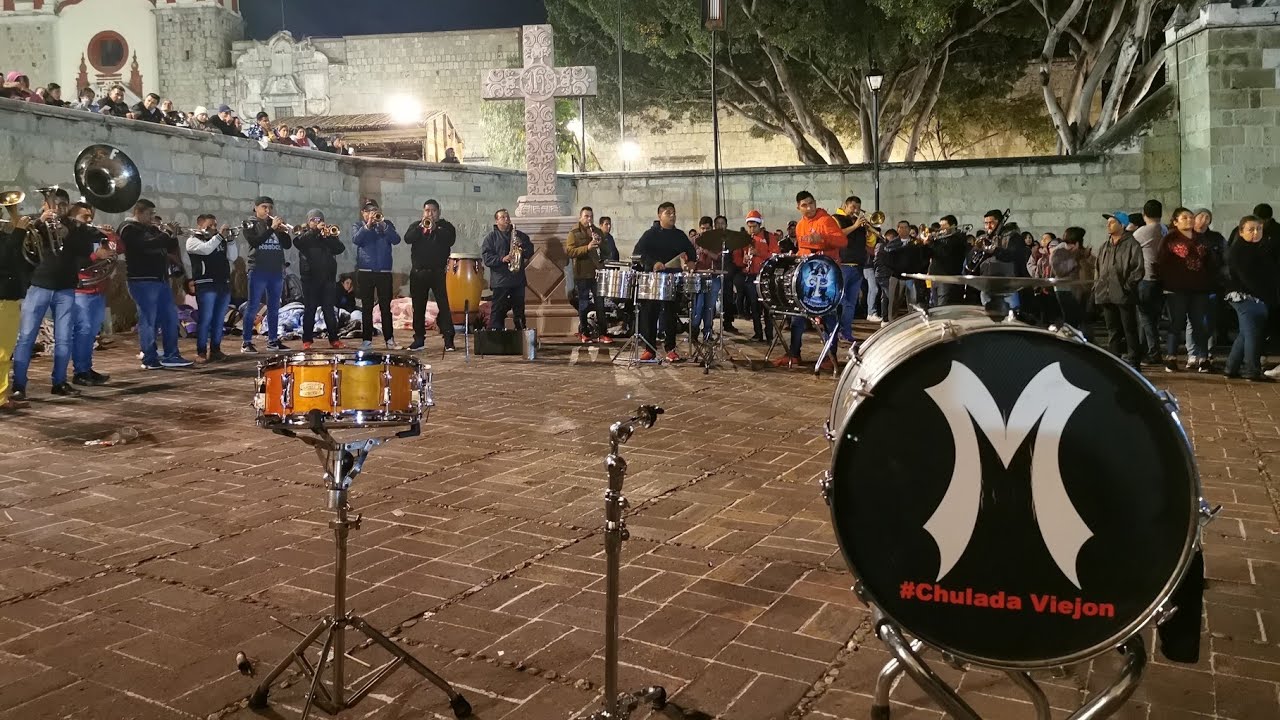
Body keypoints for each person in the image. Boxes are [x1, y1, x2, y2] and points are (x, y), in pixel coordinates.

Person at [9, 194, 96, 399]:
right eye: (54, 203)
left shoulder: (74, 227)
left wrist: (70, 234)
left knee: (64, 339)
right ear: (44, 204)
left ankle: (60, 382)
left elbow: (85, 251)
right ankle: (19, 385)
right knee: (26, 338)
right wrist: (40, 223)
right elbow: (19, 245)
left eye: (63, 204)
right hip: (38, 285)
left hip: (65, 288)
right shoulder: (32, 222)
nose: (59, 208)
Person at [775, 191, 847, 369]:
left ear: (815, 203)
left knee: (829, 315)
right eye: (804, 205)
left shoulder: (826, 220)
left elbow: (842, 241)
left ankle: (831, 356)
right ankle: (794, 353)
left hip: (827, 277)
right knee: (798, 316)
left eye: (811, 203)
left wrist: (822, 238)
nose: (809, 208)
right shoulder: (800, 226)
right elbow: (803, 249)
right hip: (806, 277)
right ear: (798, 207)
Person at [119, 199, 194, 370]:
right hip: (142, 280)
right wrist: (166, 233)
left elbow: (167, 246)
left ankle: (171, 355)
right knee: (148, 320)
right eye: (149, 213)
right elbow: (146, 245)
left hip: (160, 280)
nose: (153, 217)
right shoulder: (127, 228)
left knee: (170, 317)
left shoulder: (151, 229)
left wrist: (172, 234)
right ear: (138, 212)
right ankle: (149, 358)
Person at [634, 202, 697, 362]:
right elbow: (638, 253)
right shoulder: (650, 234)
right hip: (653, 280)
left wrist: (690, 262)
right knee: (650, 314)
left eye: (674, 213)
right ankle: (650, 349)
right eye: (668, 213)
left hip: (672, 279)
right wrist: (653, 263)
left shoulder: (680, 235)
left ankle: (670, 348)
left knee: (670, 314)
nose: (672, 215)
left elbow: (691, 252)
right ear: (659, 215)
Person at [1159, 207, 1216, 373]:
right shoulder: (1170, 239)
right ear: (1175, 222)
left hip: (1199, 288)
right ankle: (1171, 358)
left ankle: (1203, 359)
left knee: (1199, 324)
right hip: (1176, 289)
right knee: (1176, 324)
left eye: (1191, 217)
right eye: (1184, 218)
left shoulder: (1201, 239)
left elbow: (1210, 262)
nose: (1189, 220)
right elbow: (1161, 262)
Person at [1224, 216, 1278, 382]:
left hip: (1256, 297)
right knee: (1253, 333)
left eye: (1259, 229)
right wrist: (1263, 297)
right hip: (1245, 297)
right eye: (1251, 229)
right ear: (1241, 232)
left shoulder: (1260, 248)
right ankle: (1251, 369)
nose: (1256, 233)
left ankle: (1231, 367)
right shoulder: (1240, 250)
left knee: (1245, 333)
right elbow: (1247, 277)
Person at [71, 205, 120, 385]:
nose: (90, 220)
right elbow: (73, 261)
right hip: (81, 290)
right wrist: (95, 256)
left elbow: (118, 249)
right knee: (83, 332)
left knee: (91, 333)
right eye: (85, 217)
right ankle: (79, 372)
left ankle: (86, 368)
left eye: (90, 217)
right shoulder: (72, 237)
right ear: (74, 218)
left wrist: (111, 236)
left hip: (98, 289)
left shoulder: (95, 235)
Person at [240, 196, 292, 353]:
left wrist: (281, 232)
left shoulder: (274, 225)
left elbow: (287, 245)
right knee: (253, 305)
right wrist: (272, 229)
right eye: (264, 207)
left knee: (275, 307)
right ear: (255, 208)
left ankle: (273, 340)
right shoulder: (249, 223)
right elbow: (255, 242)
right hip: (258, 269)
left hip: (275, 270)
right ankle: (246, 342)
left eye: (270, 207)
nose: (267, 211)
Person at [1093, 211, 1144, 367]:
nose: (1108, 225)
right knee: (1112, 329)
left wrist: (1127, 287)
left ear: (1122, 225)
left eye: (1112, 222)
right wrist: (1098, 286)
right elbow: (1098, 268)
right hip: (1105, 294)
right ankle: (1114, 359)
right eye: (1108, 222)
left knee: (1129, 329)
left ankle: (1134, 360)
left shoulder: (1132, 244)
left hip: (1124, 294)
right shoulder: (1104, 246)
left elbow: (1138, 269)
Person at [404, 199, 457, 352]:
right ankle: (419, 339)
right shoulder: (417, 226)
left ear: (438, 212)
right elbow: (408, 238)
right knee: (418, 307)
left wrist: (436, 229)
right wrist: (421, 228)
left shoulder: (446, 226)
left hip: (439, 273)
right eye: (427, 210)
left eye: (433, 211)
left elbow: (450, 239)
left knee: (444, 306)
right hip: (419, 273)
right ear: (423, 212)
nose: (430, 213)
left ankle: (448, 340)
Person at [351, 199, 401, 349]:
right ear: (363, 213)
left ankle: (389, 340)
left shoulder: (387, 224)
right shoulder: (358, 226)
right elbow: (356, 239)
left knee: (386, 307)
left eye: (374, 210)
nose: (371, 213)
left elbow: (396, 239)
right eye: (367, 211)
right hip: (365, 272)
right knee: (366, 307)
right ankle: (367, 340)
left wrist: (383, 226)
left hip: (384, 272)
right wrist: (368, 226)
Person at [185, 214, 236, 361]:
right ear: (200, 226)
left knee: (219, 319)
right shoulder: (192, 241)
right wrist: (220, 235)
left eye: (215, 224)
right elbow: (206, 249)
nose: (214, 227)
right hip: (206, 284)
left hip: (223, 283)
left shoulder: (219, 240)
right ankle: (201, 351)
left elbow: (232, 257)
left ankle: (215, 350)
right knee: (205, 318)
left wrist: (231, 242)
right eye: (211, 225)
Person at [294, 210, 346, 351]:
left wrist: (328, 237)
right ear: (309, 221)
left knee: (329, 310)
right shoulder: (303, 233)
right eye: (313, 220)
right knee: (310, 309)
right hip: (310, 279)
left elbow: (340, 249)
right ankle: (307, 340)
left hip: (328, 279)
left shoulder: (327, 235)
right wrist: (315, 231)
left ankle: (334, 339)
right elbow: (299, 243)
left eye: (319, 220)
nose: (317, 222)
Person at [565, 206, 612, 344]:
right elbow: (570, 251)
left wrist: (600, 242)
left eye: (591, 216)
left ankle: (603, 333)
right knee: (584, 304)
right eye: (586, 216)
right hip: (582, 273)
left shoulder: (597, 231)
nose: (589, 219)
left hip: (597, 272)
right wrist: (587, 248)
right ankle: (584, 332)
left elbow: (607, 251)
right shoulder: (574, 233)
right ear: (580, 217)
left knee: (600, 304)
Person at [482, 208, 534, 331]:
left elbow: (529, 252)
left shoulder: (519, 235)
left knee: (519, 310)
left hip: (517, 279)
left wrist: (522, 246)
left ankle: (521, 334)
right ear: (496, 221)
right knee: (498, 310)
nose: (507, 219)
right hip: (500, 281)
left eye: (507, 217)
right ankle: (496, 334)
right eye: (503, 217)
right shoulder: (491, 238)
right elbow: (487, 258)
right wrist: (502, 259)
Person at [1133, 199, 1166, 364]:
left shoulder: (1141, 232)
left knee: (1145, 318)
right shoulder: (1165, 229)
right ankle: (1143, 350)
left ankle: (1153, 353)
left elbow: (1129, 247)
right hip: (1161, 279)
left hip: (1146, 278)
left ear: (1144, 214)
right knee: (1153, 318)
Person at [832, 196, 868, 341]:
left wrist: (869, 230)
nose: (856, 210)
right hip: (843, 266)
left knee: (851, 303)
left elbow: (870, 242)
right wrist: (855, 226)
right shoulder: (836, 218)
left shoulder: (859, 224)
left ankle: (846, 333)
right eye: (853, 207)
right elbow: (837, 235)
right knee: (841, 301)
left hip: (858, 267)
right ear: (845, 206)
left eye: (858, 208)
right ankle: (834, 331)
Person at [736, 210, 775, 342]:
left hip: (765, 276)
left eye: (754, 226)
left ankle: (769, 334)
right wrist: (744, 260)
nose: (752, 229)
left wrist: (758, 252)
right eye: (750, 226)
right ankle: (757, 333)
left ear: (760, 225)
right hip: (751, 275)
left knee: (767, 307)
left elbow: (775, 256)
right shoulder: (745, 240)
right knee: (754, 306)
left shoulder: (769, 237)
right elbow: (738, 257)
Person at [1051, 227, 1090, 333]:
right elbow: (1059, 271)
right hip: (1064, 289)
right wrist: (1074, 259)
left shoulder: (1079, 251)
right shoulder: (1059, 251)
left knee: (1080, 319)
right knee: (1070, 319)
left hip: (1080, 289)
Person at [689, 216, 721, 344]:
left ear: (712, 228)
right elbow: (685, 257)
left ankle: (708, 332)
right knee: (698, 306)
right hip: (697, 277)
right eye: (703, 228)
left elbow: (718, 258)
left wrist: (706, 251)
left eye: (708, 228)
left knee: (709, 307)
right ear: (699, 228)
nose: (705, 231)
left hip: (713, 277)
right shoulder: (693, 241)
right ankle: (694, 331)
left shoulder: (717, 241)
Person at [928, 215, 968, 307]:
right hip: (934, 276)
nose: (940, 228)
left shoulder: (958, 238)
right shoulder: (940, 239)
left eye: (944, 225)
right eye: (940, 225)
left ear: (953, 226)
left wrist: (932, 242)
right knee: (934, 305)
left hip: (946, 277)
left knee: (942, 306)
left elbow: (945, 252)